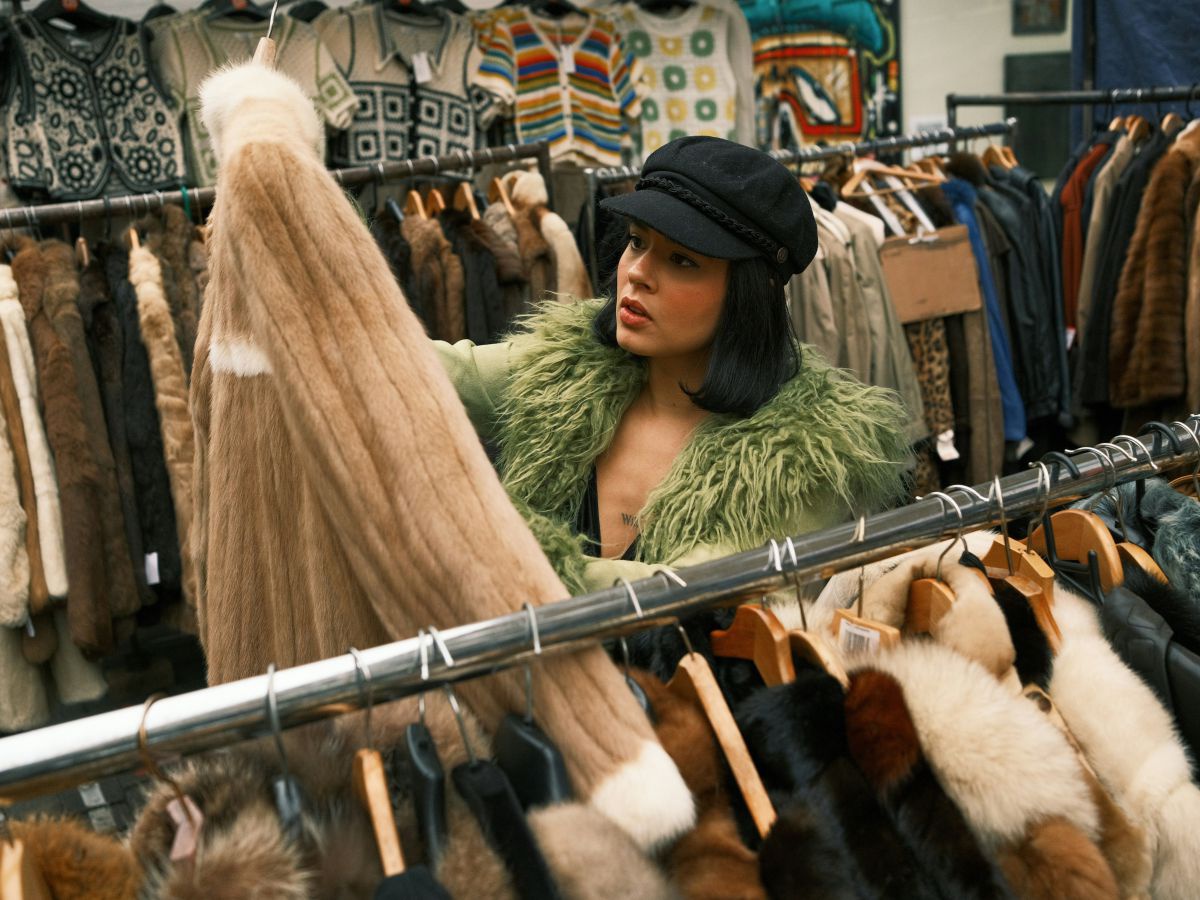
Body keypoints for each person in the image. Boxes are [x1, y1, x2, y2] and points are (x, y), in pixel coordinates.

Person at [436, 136, 913, 594]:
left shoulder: (804, 456)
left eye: (682, 260)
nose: (638, 273)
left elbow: (696, 596)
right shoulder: (565, 368)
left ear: (753, 290)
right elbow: (434, 374)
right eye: (637, 242)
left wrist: (487, 544)